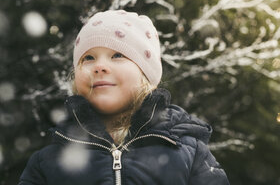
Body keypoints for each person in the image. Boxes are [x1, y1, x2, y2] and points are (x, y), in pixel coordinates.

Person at [19, 10, 230, 185]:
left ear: (146, 76)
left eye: (118, 55)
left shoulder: (187, 152)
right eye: (89, 58)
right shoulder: (49, 161)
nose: (100, 66)